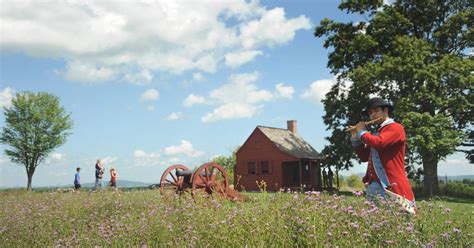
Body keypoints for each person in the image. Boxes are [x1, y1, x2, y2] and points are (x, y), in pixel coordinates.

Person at [349, 97, 415, 214]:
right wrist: (355, 138)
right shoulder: (375, 133)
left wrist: (362, 132)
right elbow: (364, 157)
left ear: (385, 111)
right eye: (370, 113)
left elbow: (380, 143)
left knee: (400, 222)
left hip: (391, 186)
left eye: (376, 111)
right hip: (373, 186)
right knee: (376, 225)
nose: (373, 115)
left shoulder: (396, 128)